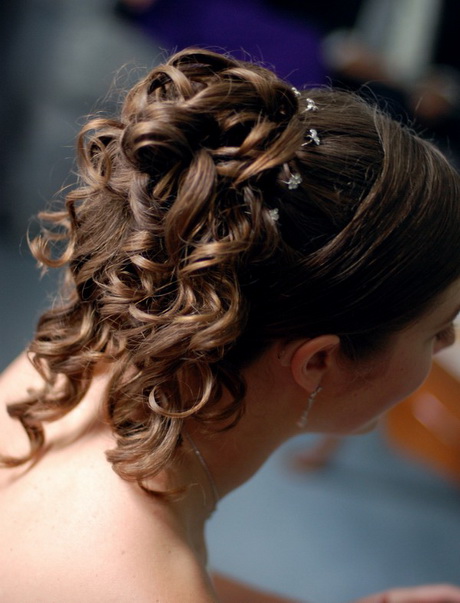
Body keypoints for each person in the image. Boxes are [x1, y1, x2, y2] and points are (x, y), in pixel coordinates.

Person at [1, 47, 460, 603]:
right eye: (436, 330)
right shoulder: (157, 583)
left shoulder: (77, 357)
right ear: (318, 362)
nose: (450, 342)